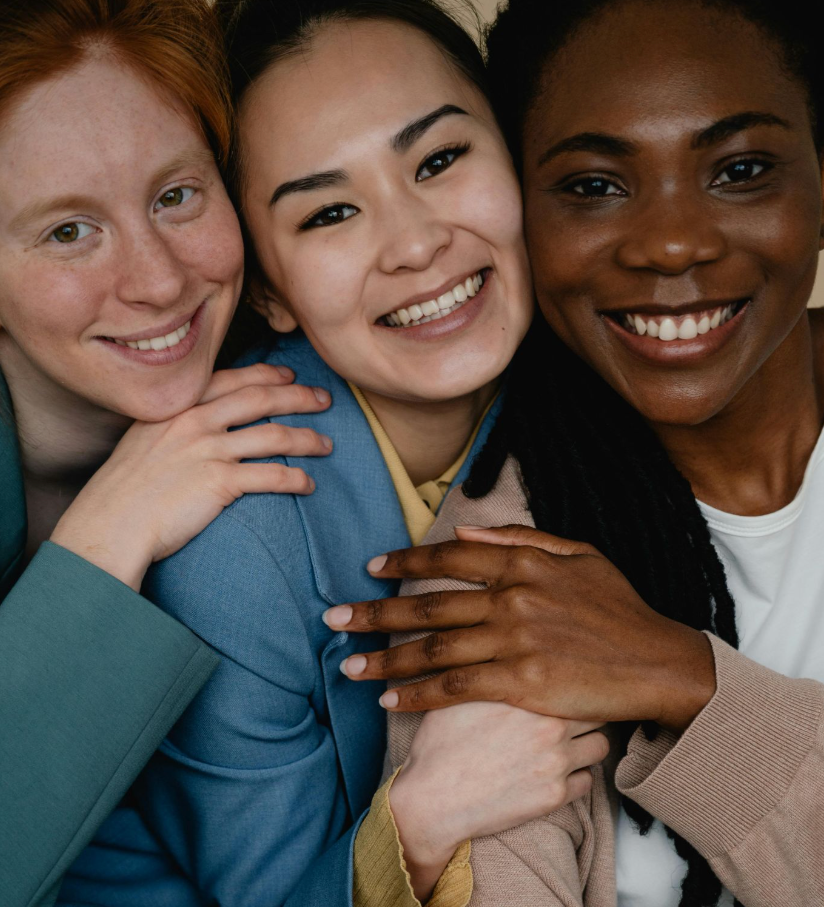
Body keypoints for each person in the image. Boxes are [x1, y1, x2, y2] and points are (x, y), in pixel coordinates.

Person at [57, 1, 610, 905]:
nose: (418, 242)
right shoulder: (237, 546)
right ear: (269, 288)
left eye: (438, 161)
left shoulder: (590, 363)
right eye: (331, 212)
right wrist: (421, 822)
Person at [330, 0, 824, 904]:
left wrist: (688, 676)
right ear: (520, 210)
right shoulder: (504, 570)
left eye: (742, 169)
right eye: (593, 185)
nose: (672, 242)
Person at [0, 2, 334, 904]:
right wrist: (109, 533)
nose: (157, 279)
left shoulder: (302, 408)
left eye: (176, 195)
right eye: (68, 230)